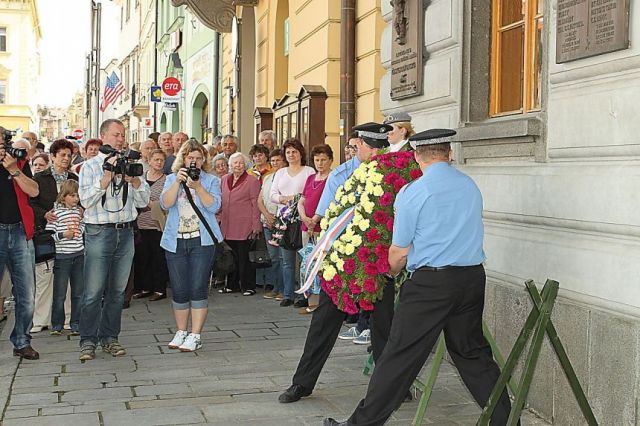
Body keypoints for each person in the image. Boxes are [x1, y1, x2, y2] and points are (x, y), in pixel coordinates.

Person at [324, 129, 514, 426]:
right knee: (472, 354)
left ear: (416, 157)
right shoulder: (469, 185)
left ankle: (360, 424)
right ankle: (507, 420)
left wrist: (388, 270)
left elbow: (399, 251)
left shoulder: (414, 191)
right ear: (449, 154)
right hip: (472, 278)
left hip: (430, 285)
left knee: (398, 357)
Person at [278, 123, 396, 404]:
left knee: (384, 326)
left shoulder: (395, 172)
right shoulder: (342, 174)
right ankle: (302, 383)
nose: (374, 152)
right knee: (323, 322)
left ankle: (390, 387)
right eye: (371, 147)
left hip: (379, 262)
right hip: (343, 261)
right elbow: (328, 217)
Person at [78, 119, 151, 361]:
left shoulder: (133, 164)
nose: (121, 139)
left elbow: (143, 202)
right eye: (116, 135)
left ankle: (110, 337)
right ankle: (87, 340)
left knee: (118, 292)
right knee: (93, 290)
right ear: (103, 136)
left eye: (123, 135)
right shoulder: (89, 167)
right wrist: (106, 178)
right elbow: (86, 201)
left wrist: (136, 181)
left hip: (126, 231)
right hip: (99, 231)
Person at [160, 140, 222, 352]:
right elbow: (165, 204)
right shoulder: (171, 178)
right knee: (178, 288)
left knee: (197, 287)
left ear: (203, 159)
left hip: (201, 241)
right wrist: (178, 182)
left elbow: (214, 206)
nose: (194, 161)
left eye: (197, 158)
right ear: (183, 159)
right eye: (190, 158)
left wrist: (198, 187)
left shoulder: (211, 180)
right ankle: (181, 331)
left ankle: (195, 334)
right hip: (175, 240)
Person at [30, 138, 78, 333]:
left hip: (70, 235)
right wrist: (44, 214)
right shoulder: (40, 178)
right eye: (62, 155)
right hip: (47, 235)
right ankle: (40, 320)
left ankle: (67, 318)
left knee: (67, 281)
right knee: (45, 279)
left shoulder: (74, 178)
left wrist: (79, 210)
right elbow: (31, 203)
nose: (66, 158)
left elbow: (81, 199)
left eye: (69, 155)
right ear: (53, 157)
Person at [0, 128, 40, 360]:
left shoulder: (18, 163)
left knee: (27, 292)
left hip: (18, 231)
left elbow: (34, 191)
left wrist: (14, 170)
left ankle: (22, 341)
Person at [269, 138, 315, 307]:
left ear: (300, 153)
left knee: (304, 257)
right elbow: (272, 194)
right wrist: (283, 198)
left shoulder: (309, 171)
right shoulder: (280, 173)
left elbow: (312, 192)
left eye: (294, 152)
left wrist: (299, 200)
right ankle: (287, 294)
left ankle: (304, 295)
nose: (291, 155)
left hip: (302, 218)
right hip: (284, 219)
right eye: (288, 152)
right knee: (286, 259)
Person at [218, 153, 262, 295]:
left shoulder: (252, 181)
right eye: (235, 163)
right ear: (230, 165)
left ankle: (248, 286)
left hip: (244, 225)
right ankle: (232, 285)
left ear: (246, 165)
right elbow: (220, 200)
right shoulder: (224, 179)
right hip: (227, 224)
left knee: (244, 258)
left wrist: (256, 225)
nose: (237, 165)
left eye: (240, 163)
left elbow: (256, 204)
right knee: (231, 257)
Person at [296, 144, 333, 313]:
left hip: (321, 226)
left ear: (330, 160)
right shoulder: (311, 178)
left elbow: (330, 202)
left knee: (321, 264)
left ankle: (321, 301)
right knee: (307, 263)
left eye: (323, 160)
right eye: (317, 160)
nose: (320, 163)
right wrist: (304, 218)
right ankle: (310, 299)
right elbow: (302, 201)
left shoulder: (332, 178)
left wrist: (315, 220)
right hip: (306, 225)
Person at [45, 180, 84, 336]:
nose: (76, 199)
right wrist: (63, 235)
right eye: (72, 196)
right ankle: (57, 324)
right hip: (62, 257)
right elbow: (49, 235)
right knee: (60, 293)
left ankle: (76, 323)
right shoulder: (56, 213)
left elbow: (84, 226)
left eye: (77, 196)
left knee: (78, 292)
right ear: (63, 196)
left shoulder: (78, 212)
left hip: (79, 255)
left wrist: (80, 227)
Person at [132, 149, 169, 301]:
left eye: (161, 160)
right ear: (150, 160)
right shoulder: (140, 178)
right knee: (142, 257)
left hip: (157, 224)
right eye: (156, 159)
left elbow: (166, 201)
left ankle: (159, 289)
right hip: (141, 223)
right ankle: (144, 287)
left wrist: (149, 204)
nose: (159, 162)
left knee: (157, 257)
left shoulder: (167, 180)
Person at [258, 149, 286, 300]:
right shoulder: (267, 178)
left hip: (281, 222)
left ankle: (284, 289)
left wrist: (275, 218)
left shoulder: (287, 177)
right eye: (273, 160)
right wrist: (267, 216)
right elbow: (259, 200)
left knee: (283, 258)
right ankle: (275, 287)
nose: (275, 163)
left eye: (278, 160)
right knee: (273, 257)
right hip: (267, 221)